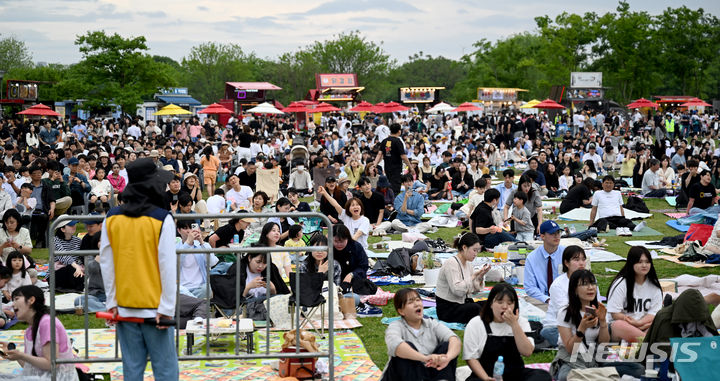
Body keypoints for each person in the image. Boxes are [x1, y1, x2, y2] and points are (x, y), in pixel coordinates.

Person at [99, 158, 179, 380]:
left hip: (125, 307)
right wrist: (167, 307)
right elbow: (167, 266)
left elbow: (107, 263)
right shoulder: (162, 219)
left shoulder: (112, 218)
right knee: (165, 370)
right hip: (156, 310)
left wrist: (112, 302)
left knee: (132, 370)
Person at [550, 270, 643, 380]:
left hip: (594, 361)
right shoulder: (565, 313)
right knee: (565, 377)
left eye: (593, 283)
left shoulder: (599, 310)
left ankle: (592, 375)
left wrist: (603, 322)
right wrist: (581, 329)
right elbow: (571, 350)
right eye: (584, 284)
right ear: (574, 289)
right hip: (571, 361)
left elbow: (604, 344)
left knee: (638, 369)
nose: (591, 287)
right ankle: (598, 375)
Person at [464, 283, 552, 381]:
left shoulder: (521, 322)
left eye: (510, 303)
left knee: (542, 376)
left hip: (515, 374)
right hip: (486, 374)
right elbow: (470, 358)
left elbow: (527, 352)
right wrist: (485, 378)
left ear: (515, 306)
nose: (505, 307)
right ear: (491, 304)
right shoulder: (476, 323)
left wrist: (514, 325)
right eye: (500, 302)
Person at [0, 285, 80, 380]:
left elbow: (51, 363)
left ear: (31, 300)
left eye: (16, 299)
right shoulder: (30, 330)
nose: (13, 304)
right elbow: (29, 367)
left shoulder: (47, 323)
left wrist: (22, 355)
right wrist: (15, 355)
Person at [381, 288, 460, 381]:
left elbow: (455, 340)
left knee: (446, 346)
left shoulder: (432, 323)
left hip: (428, 372)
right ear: (401, 311)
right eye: (410, 302)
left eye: (418, 300)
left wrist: (447, 358)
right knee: (405, 350)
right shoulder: (395, 326)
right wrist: (425, 358)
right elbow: (397, 346)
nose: (416, 304)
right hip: (404, 375)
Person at [606, 246, 663, 343]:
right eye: (640, 262)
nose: (644, 265)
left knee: (662, 322)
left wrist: (640, 323)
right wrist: (634, 324)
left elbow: (654, 313)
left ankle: (643, 342)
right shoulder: (621, 283)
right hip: (623, 325)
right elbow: (615, 313)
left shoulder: (654, 286)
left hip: (644, 325)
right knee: (619, 325)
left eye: (647, 262)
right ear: (631, 263)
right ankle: (647, 343)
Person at [435, 232, 491, 324]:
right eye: (474, 250)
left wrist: (480, 276)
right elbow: (457, 290)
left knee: (491, 303)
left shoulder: (468, 263)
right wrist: (473, 276)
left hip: (463, 303)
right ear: (464, 247)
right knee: (475, 309)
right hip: (448, 309)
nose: (476, 254)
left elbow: (475, 290)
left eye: (478, 250)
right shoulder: (451, 263)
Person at [540, 245, 590, 347]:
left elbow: (596, 304)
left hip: (586, 322)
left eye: (583, 259)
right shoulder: (558, 285)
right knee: (548, 332)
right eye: (576, 260)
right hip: (559, 325)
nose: (581, 263)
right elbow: (564, 314)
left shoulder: (591, 281)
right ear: (566, 263)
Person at [524, 220, 565, 308]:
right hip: (541, 299)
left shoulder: (567, 254)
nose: (556, 236)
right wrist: (547, 299)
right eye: (552, 233)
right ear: (542, 236)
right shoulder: (532, 258)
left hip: (564, 297)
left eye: (558, 232)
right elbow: (530, 287)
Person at [175, 219, 218, 299]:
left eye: (191, 228)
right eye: (185, 228)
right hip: (181, 289)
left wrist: (201, 241)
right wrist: (187, 243)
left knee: (207, 289)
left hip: (200, 288)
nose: (189, 231)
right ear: (179, 230)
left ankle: (192, 301)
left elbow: (212, 262)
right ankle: (195, 302)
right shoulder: (175, 247)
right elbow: (175, 264)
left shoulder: (201, 246)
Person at [374, 123, 412, 194]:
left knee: (389, 186)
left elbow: (380, 154)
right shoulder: (398, 141)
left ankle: (390, 200)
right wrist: (410, 167)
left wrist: (374, 165)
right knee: (395, 188)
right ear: (399, 131)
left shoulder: (386, 141)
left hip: (387, 168)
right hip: (396, 169)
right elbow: (403, 156)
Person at [54, 220, 85, 292]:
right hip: (58, 272)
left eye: (74, 224)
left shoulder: (78, 240)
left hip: (76, 270)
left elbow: (81, 256)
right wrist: (77, 267)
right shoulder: (55, 240)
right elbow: (63, 256)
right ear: (62, 229)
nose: (74, 227)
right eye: (71, 225)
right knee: (71, 269)